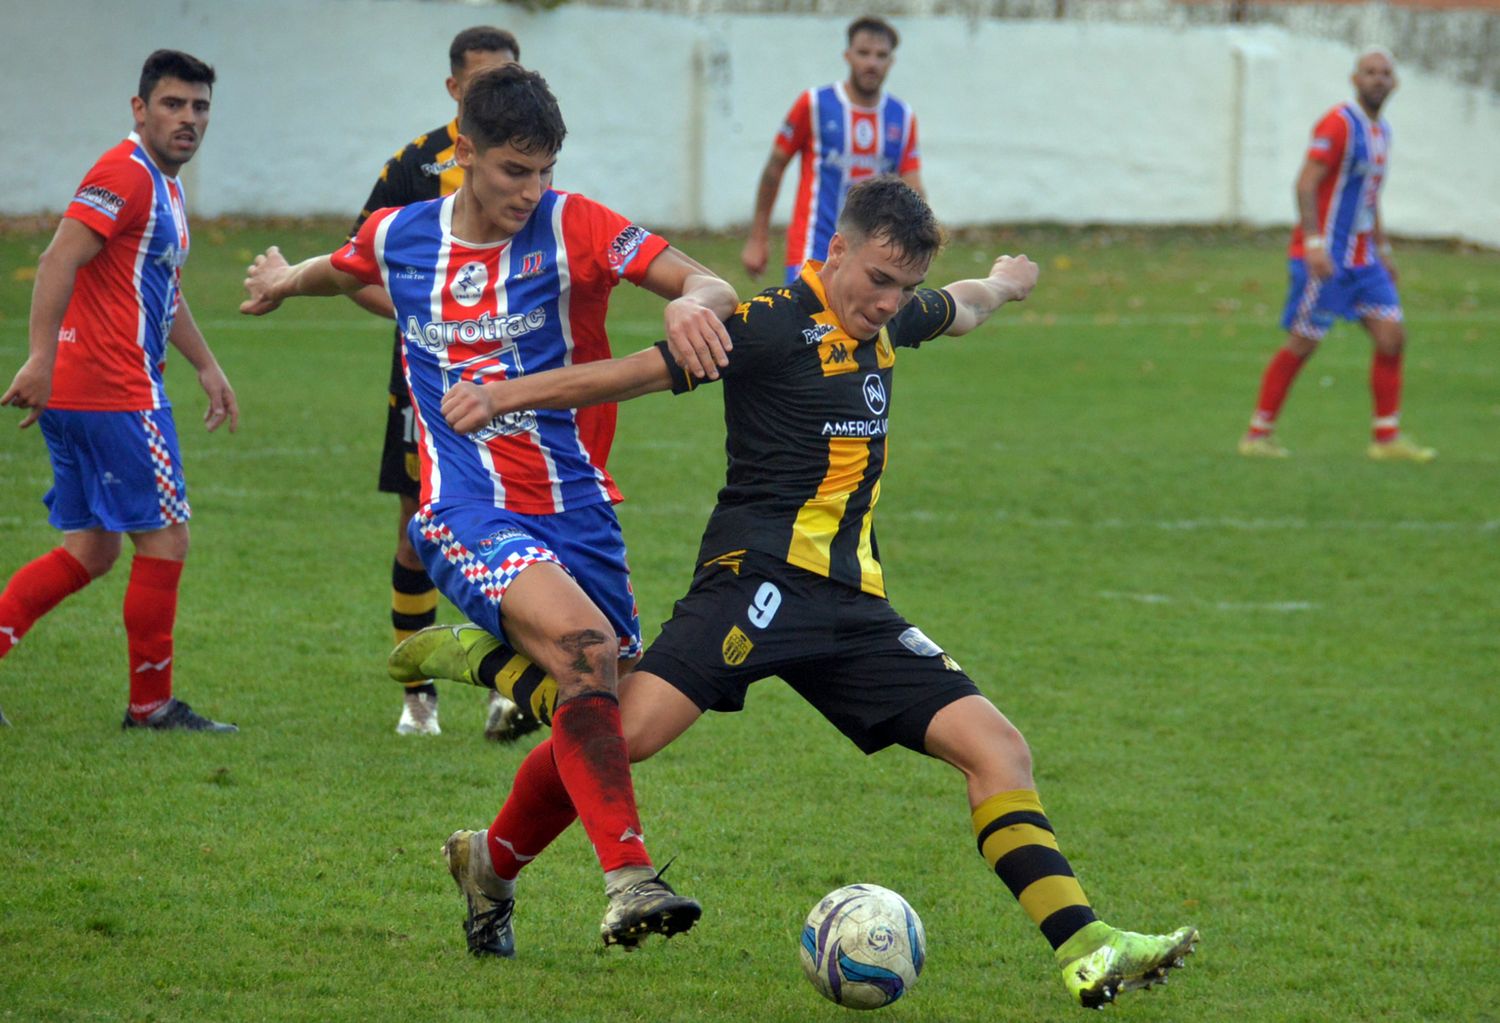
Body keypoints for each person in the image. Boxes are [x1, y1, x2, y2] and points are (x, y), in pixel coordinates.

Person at [397, 177, 1199, 1009]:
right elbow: (636, 373)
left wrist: (1004, 280)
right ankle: (507, 692)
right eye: (878, 281)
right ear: (838, 250)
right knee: (623, 734)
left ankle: (1087, 947)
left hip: (853, 610)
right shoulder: (772, 323)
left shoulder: (893, 318)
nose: (890, 303)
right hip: (754, 585)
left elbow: (959, 306)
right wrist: (502, 396)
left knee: (999, 748)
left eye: (905, 287)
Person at [240, 64, 738, 953]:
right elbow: (340, 264)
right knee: (584, 654)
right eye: (514, 170)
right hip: (463, 506)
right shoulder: (403, 234)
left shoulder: (573, 223)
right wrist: (284, 278)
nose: (531, 190)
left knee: (607, 716)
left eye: (544, 169)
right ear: (462, 153)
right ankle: (627, 875)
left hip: (575, 506)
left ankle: (489, 859)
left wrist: (693, 309)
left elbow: (705, 284)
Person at [0, 50, 238, 733]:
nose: (187, 119)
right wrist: (39, 357)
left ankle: (148, 702)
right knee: (166, 543)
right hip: (114, 393)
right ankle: (152, 705)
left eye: (198, 108)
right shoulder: (124, 174)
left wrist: (205, 363)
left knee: (91, 550)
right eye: (173, 104)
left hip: (87, 393)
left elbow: (161, 289)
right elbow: (56, 258)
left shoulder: (163, 184)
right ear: (140, 109)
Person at [348, 25, 532, 739]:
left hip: (509, 381)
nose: (497, 95)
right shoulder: (415, 166)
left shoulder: (530, 169)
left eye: (508, 79)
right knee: (415, 533)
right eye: (483, 83)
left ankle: (509, 690)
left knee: (512, 528)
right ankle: (418, 698)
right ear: (455, 89)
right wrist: (430, 311)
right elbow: (354, 265)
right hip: (423, 384)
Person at [1239, 47, 1435, 462]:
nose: (1378, 79)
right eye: (1369, 72)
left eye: (1385, 73)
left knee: (1391, 336)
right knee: (1303, 342)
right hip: (1327, 259)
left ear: (1395, 84)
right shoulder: (1338, 124)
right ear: (1354, 80)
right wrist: (1313, 243)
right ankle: (1257, 435)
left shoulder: (1382, 133)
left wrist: (1383, 249)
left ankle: (1386, 439)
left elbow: (1369, 197)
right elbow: (1305, 183)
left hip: (1365, 261)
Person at [740, 15, 924, 284]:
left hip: (871, 257)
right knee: (806, 326)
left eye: (881, 55)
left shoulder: (902, 117)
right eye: (863, 53)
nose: (871, 63)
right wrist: (758, 237)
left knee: (861, 327)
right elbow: (774, 169)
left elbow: (914, 188)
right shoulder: (814, 104)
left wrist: (917, 244)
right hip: (811, 251)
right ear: (848, 55)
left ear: (891, 62)